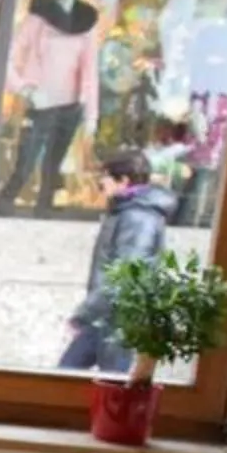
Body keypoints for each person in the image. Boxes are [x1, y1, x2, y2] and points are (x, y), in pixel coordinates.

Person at [0, 0, 102, 213]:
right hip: (39, 103)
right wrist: (24, 88)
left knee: (52, 169)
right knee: (24, 164)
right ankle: (1, 207)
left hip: (71, 106)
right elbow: (5, 57)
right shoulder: (37, 20)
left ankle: (43, 213)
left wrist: (91, 114)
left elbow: (90, 70)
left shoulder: (86, 22)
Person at [58, 151, 174, 373]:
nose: (101, 182)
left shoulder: (138, 217)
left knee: (109, 383)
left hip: (120, 321)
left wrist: (84, 314)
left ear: (124, 181)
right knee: (65, 377)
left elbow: (126, 274)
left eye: (106, 176)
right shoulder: (124, 212)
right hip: (105, 317)